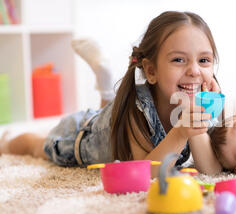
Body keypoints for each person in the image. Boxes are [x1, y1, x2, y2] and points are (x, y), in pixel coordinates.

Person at [0, 11, 222, 178]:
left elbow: (210, 170)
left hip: (108, 122)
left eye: (204, 60)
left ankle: (105, 90)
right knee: (37, 146)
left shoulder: (197, 104)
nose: (194, 71)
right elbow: (146, 172)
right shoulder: (138, 108)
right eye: (178, 60)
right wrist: (181, 131)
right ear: (151, 71)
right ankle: (6, 142)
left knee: (108, 113)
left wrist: (196, 122)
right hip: (81, 135)